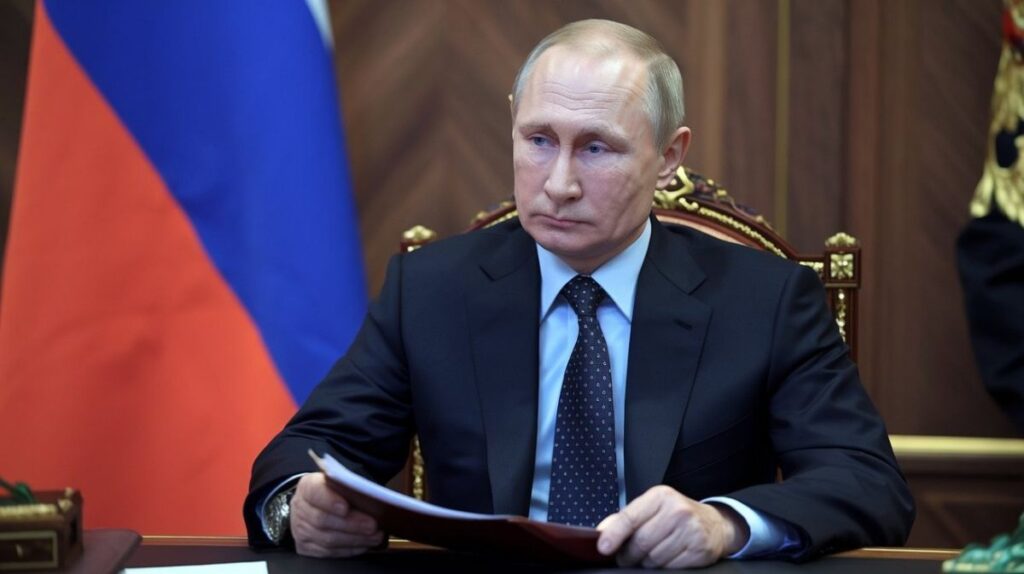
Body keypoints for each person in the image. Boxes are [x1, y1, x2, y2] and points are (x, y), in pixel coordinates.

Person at [244, 19, 915, 568]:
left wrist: (725, 525)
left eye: (596, 149)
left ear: (669, 153)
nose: (558, 182)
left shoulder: (765, 301)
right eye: (539, 140)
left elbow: (866, 481)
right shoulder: (433, 289)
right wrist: (297, 506)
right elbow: (305, 451)